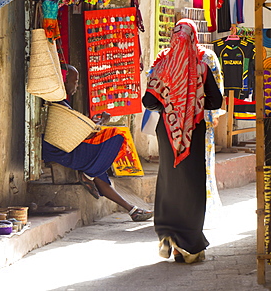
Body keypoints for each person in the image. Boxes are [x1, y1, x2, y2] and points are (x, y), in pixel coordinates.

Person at [142, 19, 222, 263]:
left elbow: (148, 101)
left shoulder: (162, 62)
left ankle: (168, 236)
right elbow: (216, 101)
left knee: (169, 181)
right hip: (193, 131)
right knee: (192, 184)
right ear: (194, 37)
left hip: (167, 132)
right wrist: (193, 105)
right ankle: (189, 245)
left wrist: (171, 106)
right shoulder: (200, 65)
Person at [42, 64, 153, 222]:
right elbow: (76, 133)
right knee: (118, 137)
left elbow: (76, 130)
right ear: (63, 83)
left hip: (67, 147)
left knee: (99, 172)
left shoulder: (60, 102)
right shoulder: (57, 103)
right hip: (62, 151)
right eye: (75, 81)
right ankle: (89, 174)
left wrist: (96, 123)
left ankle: (132, 209)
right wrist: (101, 122)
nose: (77, 85)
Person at [201, 48, 225, 229]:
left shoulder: (168, 55)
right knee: (203, 163)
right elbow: (216, 88)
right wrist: (213, 114)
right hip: (199, 120)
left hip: (174, 125)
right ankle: (201, 206)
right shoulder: (206, 56)